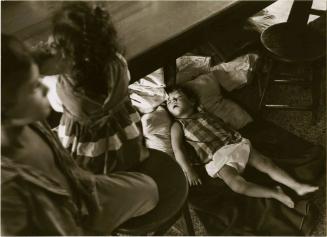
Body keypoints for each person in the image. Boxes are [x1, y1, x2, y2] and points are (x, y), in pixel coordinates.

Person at [1, 34, 159, 235]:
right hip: (67, 224)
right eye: (33, 87)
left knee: (150, 190)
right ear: (5, 110)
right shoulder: (7, 193)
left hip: (81, 187)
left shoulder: (23, 117)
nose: (43, 87)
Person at [37, 2, 148, 174]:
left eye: (55, 42)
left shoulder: (57, 83)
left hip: (87, 152)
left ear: (68, 53)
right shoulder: (118, 62)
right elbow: (126, 80)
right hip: (127, 139)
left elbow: (58, 107)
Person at [167, 87, 319, 208]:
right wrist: (189, 170)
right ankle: (274, 193)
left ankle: (297, 186)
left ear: (192, 101)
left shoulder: (203, 111)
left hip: (234, 143)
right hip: (217, 157)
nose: (172, 101)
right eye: (168, 101)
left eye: (177, 97)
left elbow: (222, 123)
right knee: (237, 185)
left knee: (266, 163)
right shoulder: (178, 125)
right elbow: (178, 149)